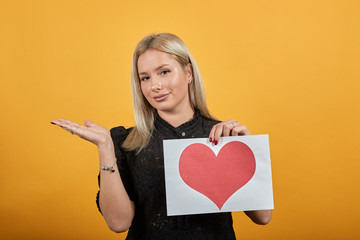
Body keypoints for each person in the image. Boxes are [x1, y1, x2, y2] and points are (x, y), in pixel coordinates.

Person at [51, 32, 272, 239]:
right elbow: (118, 223)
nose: (155, 86)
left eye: (164, 72)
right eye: (145, 78)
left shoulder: (222, 135)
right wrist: (105, 148)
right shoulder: (125, 142)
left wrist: (244, 149)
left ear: (188, 73)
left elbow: (262, 217)